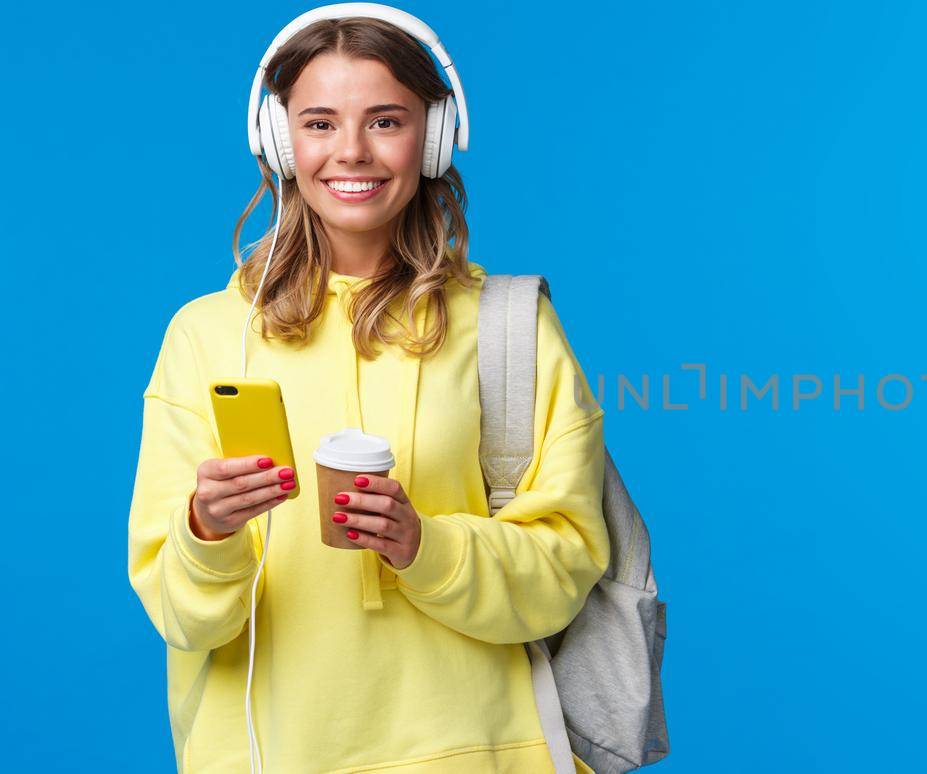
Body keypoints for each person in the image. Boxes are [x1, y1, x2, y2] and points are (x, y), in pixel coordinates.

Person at [126, 12, 608, 773]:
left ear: (436, 136)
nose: (351, 151)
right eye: (319, 123)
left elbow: (566, 571)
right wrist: (205, 531)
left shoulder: (510, 326)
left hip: (483, 755)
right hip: (267, 755)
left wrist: (427, 545)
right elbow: (183, 618)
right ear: (281, 142)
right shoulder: (209, 336)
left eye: (386, 120)